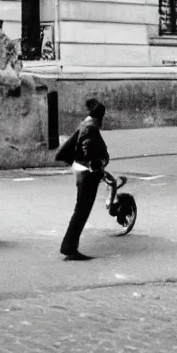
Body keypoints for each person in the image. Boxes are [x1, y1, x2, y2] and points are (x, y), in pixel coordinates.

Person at [59, 98, 110, 261]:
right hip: (87, 173)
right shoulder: (91, 129)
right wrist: (98, 166)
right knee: (81, 211)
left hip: (80, 169)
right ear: (99, 117)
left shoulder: (85, 124)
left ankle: (69, 246)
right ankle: (69, 247)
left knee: (80, 210)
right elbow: (89, 151)